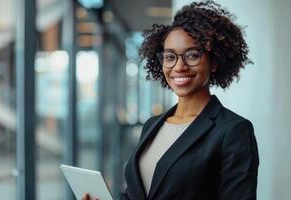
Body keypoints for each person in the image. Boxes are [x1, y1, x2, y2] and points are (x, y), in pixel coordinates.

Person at [83, 0, 259, 199]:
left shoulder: (233, 131)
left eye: (192, 55)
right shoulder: (152, 125)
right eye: (169, 57)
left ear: (214, 61)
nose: (179, 66)